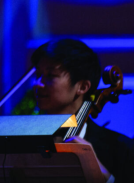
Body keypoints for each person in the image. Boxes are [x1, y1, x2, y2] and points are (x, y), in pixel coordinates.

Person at [32, 38, 134, 182]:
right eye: (38, 75)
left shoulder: (121, 149)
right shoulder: (25, 140)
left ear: (82, 87)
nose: (37, 84)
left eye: (50, 75)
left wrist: (103, 176)